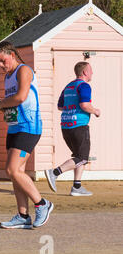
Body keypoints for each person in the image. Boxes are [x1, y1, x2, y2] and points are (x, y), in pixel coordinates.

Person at [0, 41, 53, 229]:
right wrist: (2, 102)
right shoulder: (8, 77)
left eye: (3, 60)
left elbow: (21, 96)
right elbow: (14, 102)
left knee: (12, 170)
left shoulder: (24, 71)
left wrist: (0, 104)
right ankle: (23, 215)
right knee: (16, 173)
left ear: (12, 55)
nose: (1, 65)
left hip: (28, 127)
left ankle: (42, 204)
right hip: (14, 128)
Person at [44, 61, 100, 196]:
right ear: (85, 72)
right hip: (79, 126)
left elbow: (60, 106)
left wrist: (72, 107)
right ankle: (54, 172)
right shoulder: (84, 86)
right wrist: (95, 111)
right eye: (90, 70)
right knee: (82, 157)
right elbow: (85, 105)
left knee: (78, 156)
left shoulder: (69, 86)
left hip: (66, 126)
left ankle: (77, 187)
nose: (92, 73)